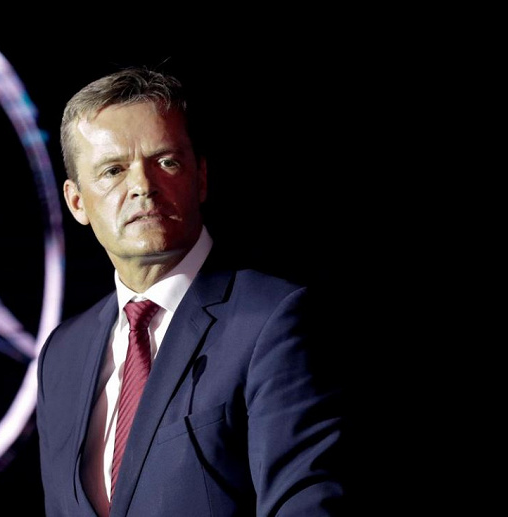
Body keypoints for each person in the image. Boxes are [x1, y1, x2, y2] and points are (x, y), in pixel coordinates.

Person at [36, 65, 345, 516]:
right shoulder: (62, 354)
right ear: (77, 201)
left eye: (166, 162)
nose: (142, 187)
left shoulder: (272, 321)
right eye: (113, 170)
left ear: (199, 177)